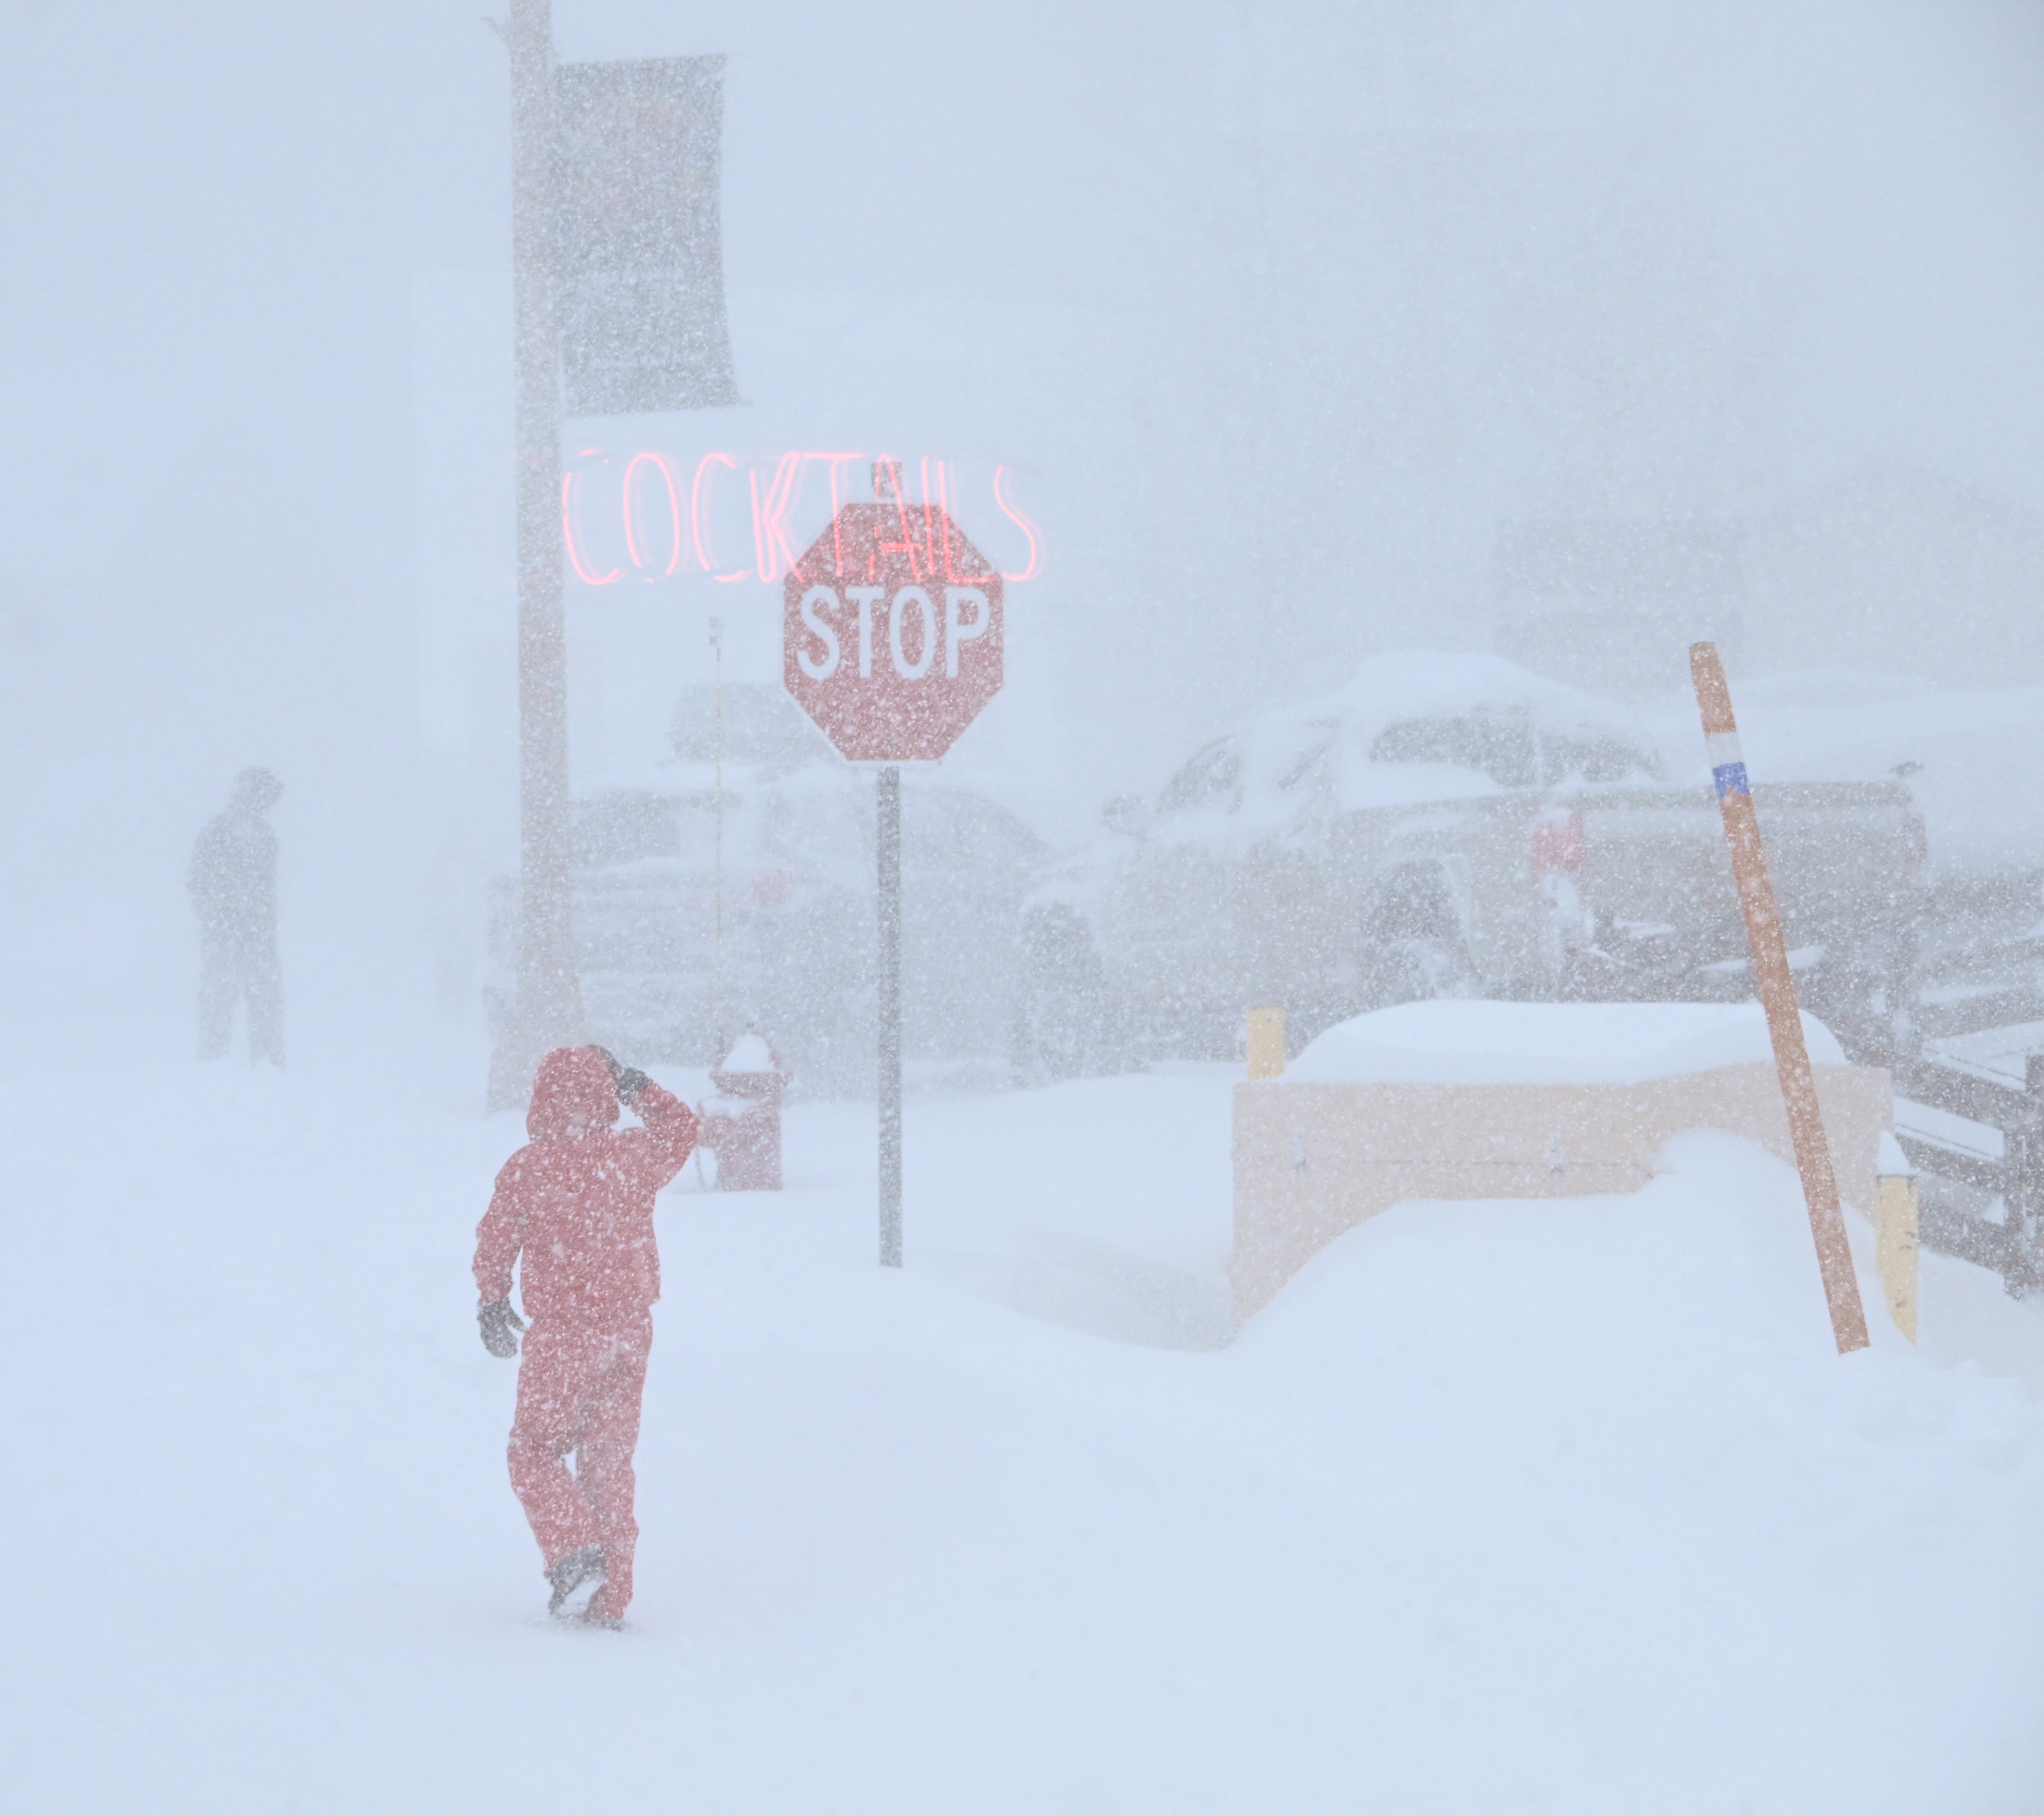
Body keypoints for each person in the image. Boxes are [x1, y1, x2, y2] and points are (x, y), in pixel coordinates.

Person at [473, 1046, 700, 1627]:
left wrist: (492, 1299)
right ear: (603, 1096)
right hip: (628, 1334)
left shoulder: (526, 1169)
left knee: (534, 1450)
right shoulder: (631, 1156)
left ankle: (574, 1555)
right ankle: (608, 1602)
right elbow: (682, 1127)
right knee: (607, 1464)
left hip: (562, 1337)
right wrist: (634, 1084)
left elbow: (495, 1239)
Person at [187, 768, 283, 1065]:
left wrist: (263, 919)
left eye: (268, 800)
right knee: (219, 998)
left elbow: (265, 886)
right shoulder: (215, 834)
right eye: (260, 796)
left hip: (258, 934)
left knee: (266, 999)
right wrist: (219, 917)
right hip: (225, 932)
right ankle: (211, 1063)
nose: (264, 805)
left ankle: (268, 1063)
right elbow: (198, 882)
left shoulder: (266, 836)